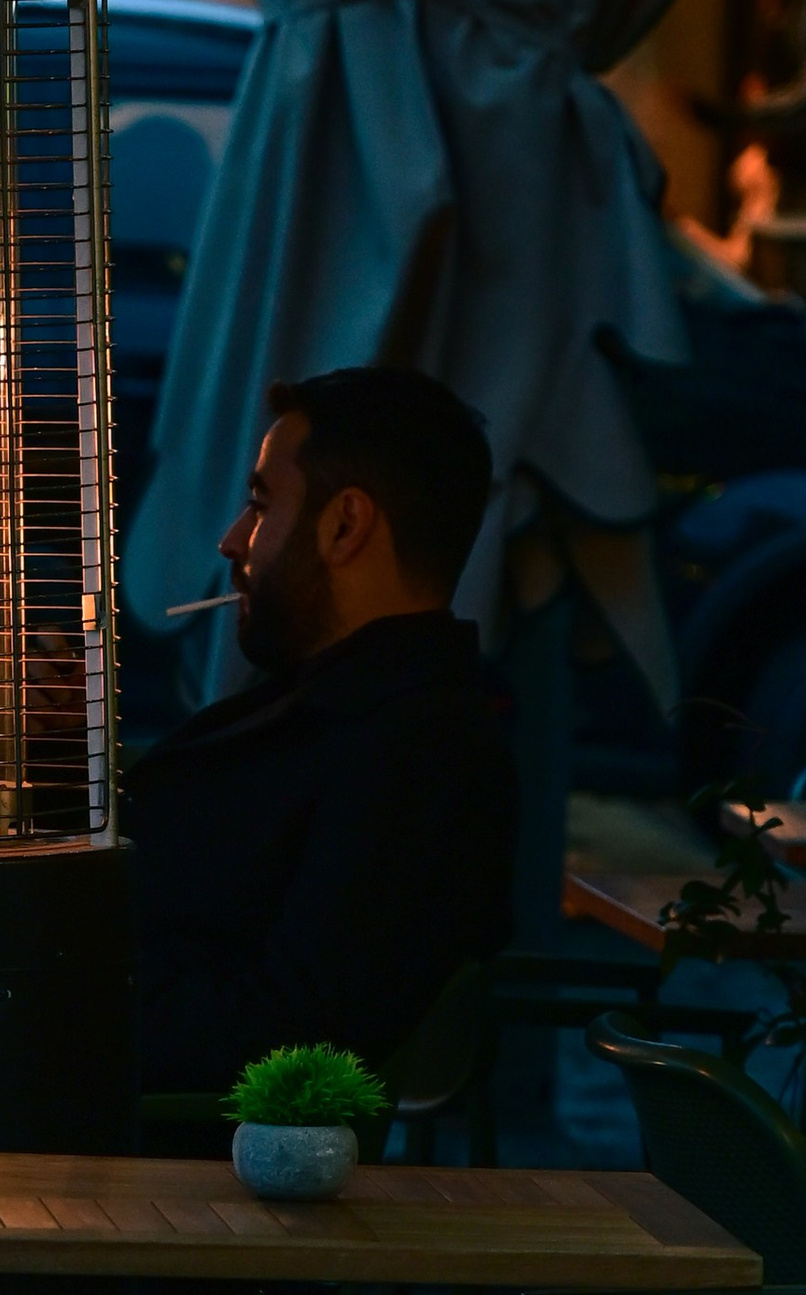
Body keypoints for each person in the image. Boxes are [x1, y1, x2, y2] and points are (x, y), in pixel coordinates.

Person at [125, 365, 516, 1095]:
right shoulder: (335, 701)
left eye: (260, 506)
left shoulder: (419, 754)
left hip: (177, 1163)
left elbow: (289, 1035)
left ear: (344, 525)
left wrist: (57, 1002)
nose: (232, 541)